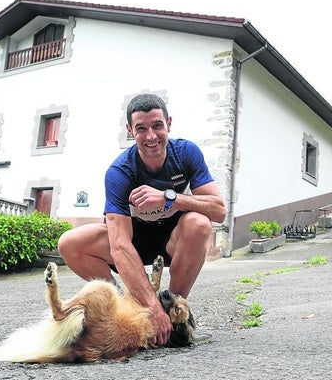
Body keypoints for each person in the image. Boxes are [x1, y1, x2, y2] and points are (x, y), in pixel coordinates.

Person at [58, 93, 226, 347]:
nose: (151, 137)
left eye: (157, 125)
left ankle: (174, 310)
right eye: (141, 128)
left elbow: (218, 210)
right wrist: (148, 306)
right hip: (134, 243)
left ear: (168, 123)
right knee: (70, 242)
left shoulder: (186, 153)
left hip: (174, 241)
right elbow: (119, 244)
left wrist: (169, 198)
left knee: (199, 223)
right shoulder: (120, 172)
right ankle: (123, 305)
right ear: (130, 130)